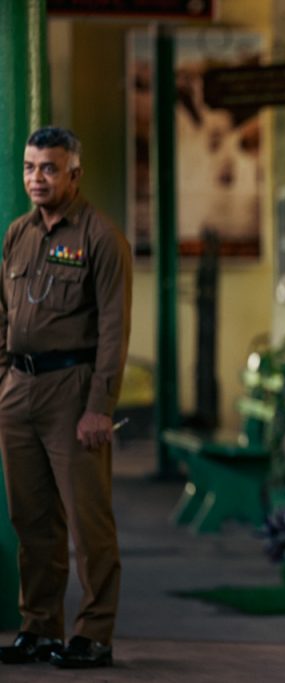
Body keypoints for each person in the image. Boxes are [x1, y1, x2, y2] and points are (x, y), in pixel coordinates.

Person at [0, 127, 132, 669]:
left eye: (49, 168)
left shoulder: (102, 238)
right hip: (18, 388)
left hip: (73, 393)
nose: (37, 178)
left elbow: (114, 330)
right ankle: (39, 628)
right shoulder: (17, 234)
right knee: (31, 521)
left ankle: (94, 634)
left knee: (87, 523)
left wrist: (100, 405)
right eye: (31, 168)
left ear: (74, 173)